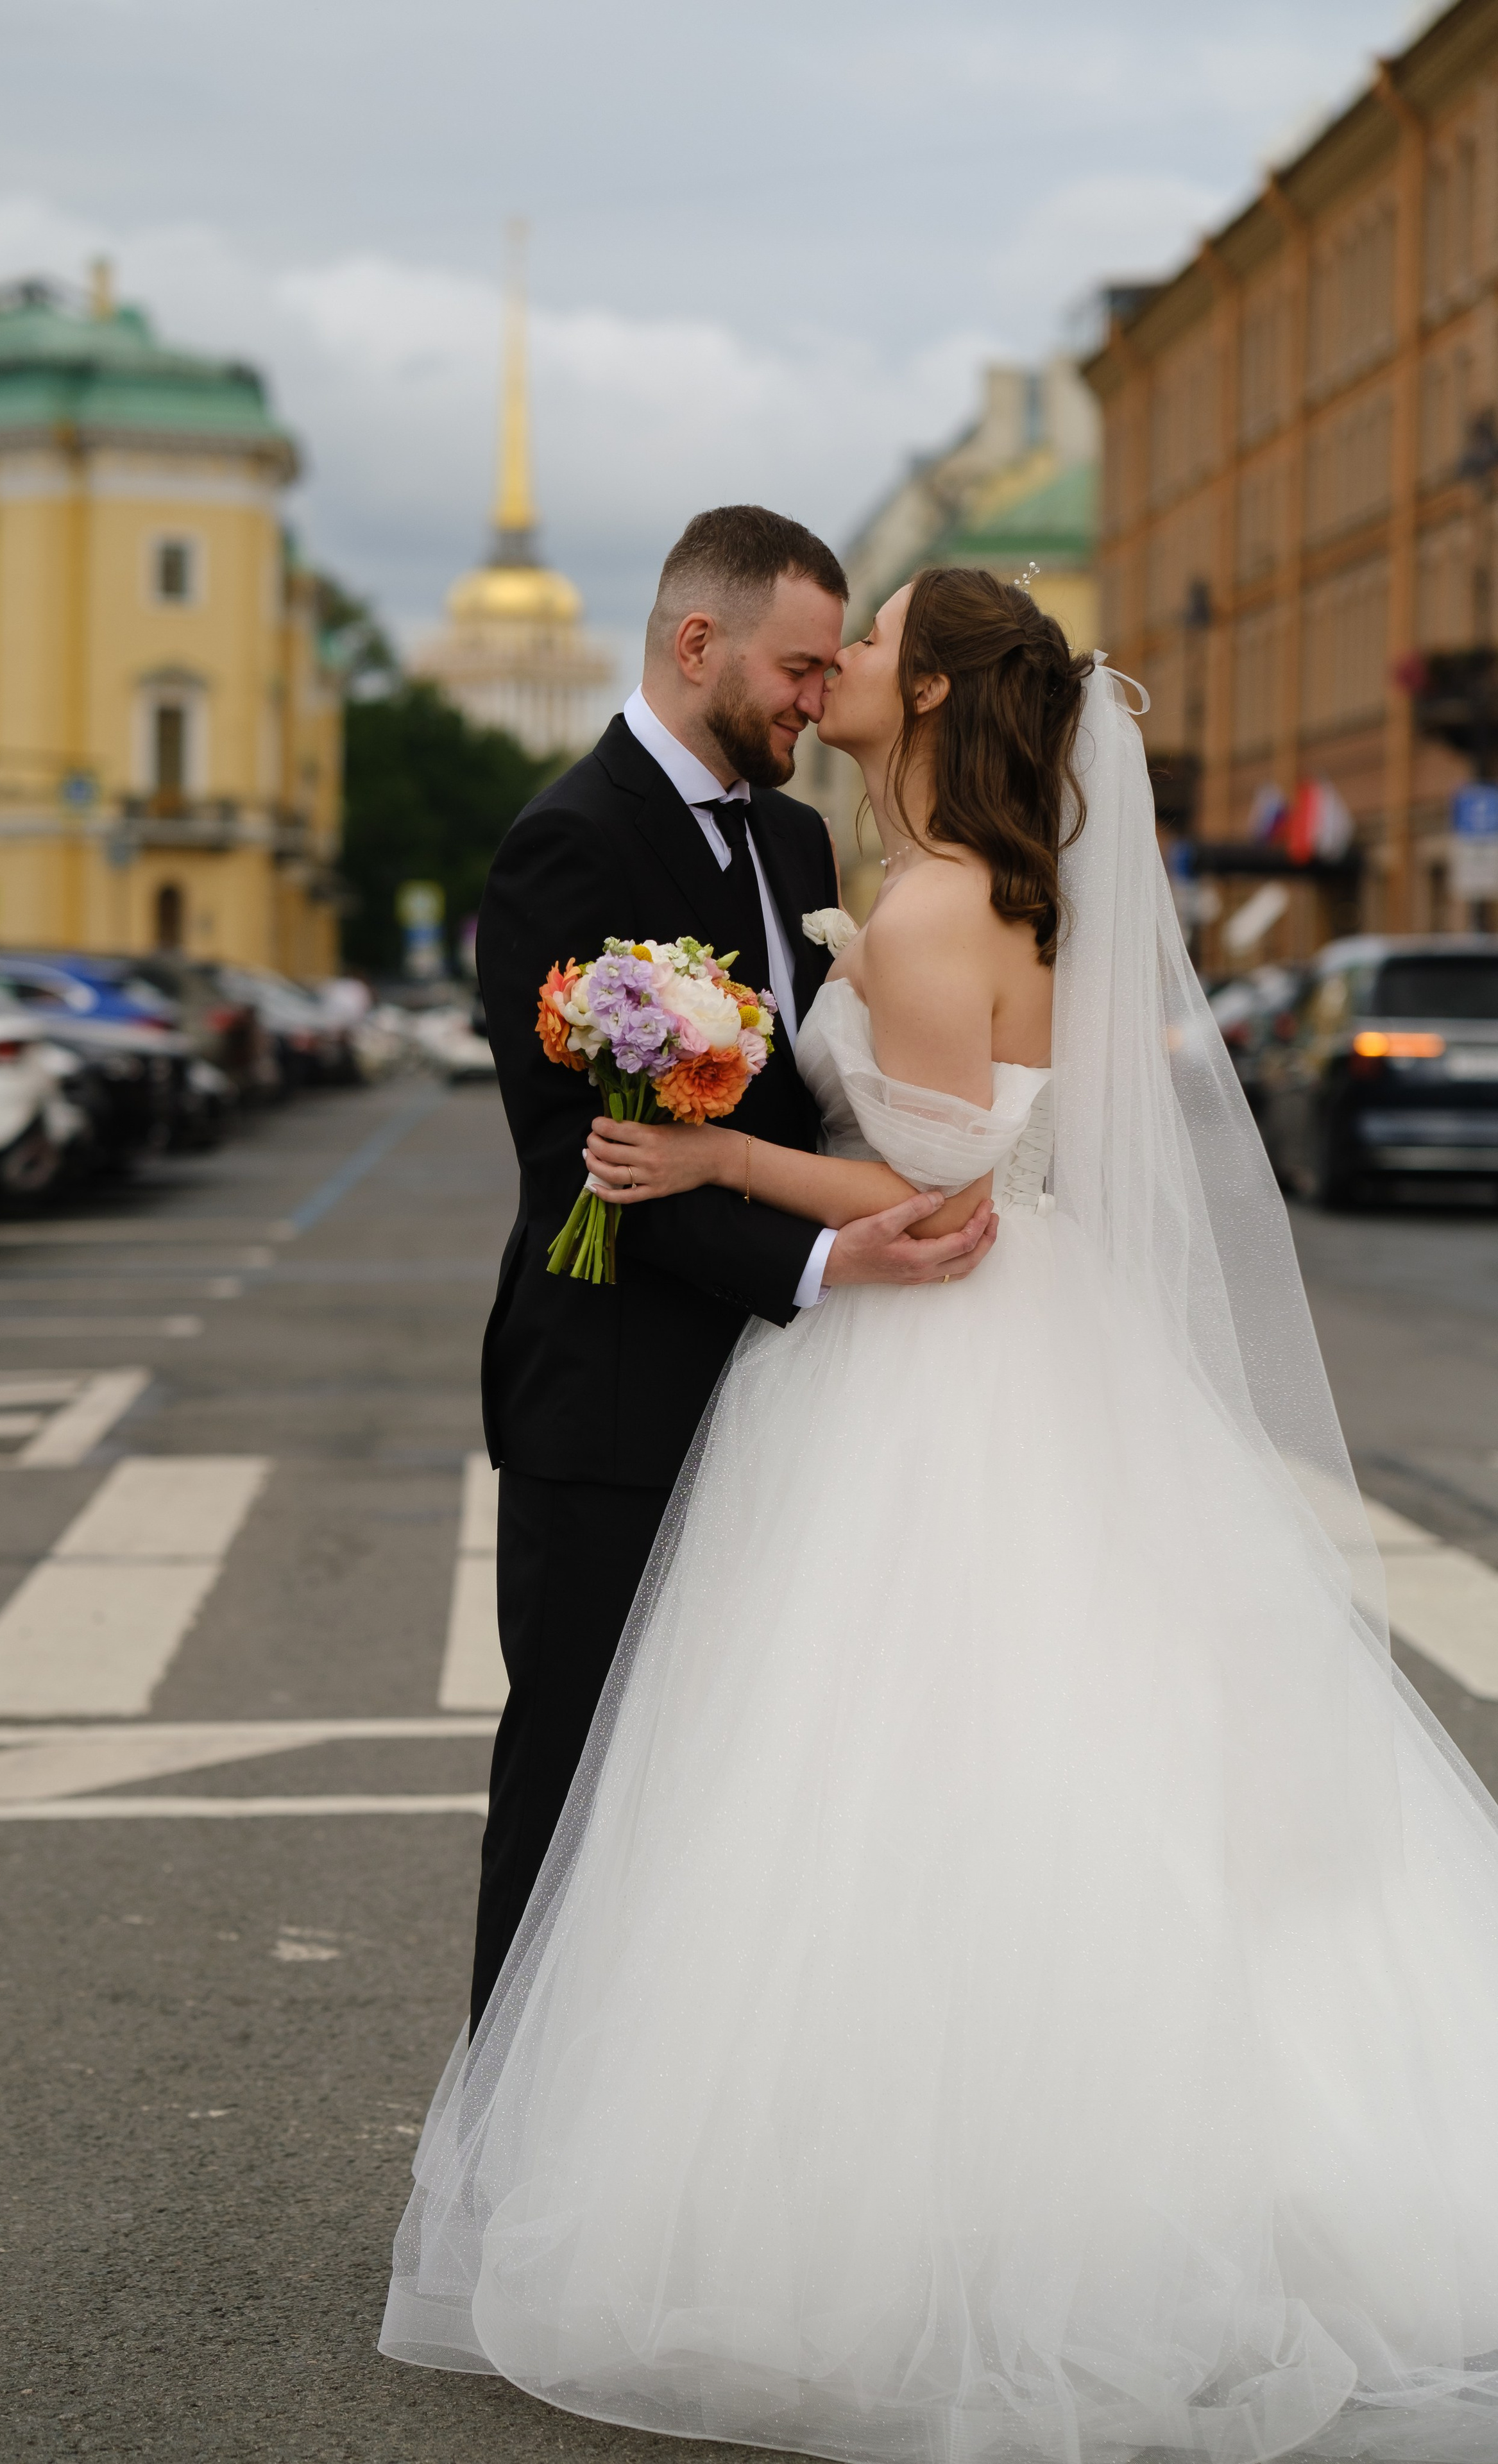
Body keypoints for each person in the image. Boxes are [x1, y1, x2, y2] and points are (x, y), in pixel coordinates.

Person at [384, 565, 1498, 2464]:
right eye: (822, 642)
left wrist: (719, 1150)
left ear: (930, 691)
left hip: (928, 1352)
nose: (840, 665)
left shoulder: (914, 905)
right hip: (993, 1347)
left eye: (873, 639)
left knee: (883, 1783)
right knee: (1027, 1761)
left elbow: (946, 1190)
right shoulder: (956, 880)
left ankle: (911, 2214)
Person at [468, 506, 996, 2028]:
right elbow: (587, 1160)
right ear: (698, 643)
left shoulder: (794, 837)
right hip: (612, 1401)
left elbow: (793, 1108)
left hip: (790, 1410)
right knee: (571, 1792)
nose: (815, 700)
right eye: (797, 669)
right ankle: (511, 2133)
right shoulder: (567, 840)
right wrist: (827, 1254)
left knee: (721, 1802)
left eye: (833, 669)